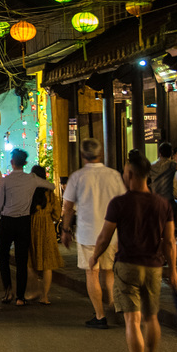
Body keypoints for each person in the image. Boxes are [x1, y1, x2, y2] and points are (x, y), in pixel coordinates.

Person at [90, 149, 177, 352]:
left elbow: (104, 237)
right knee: (152, 317)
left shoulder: (120, 203)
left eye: (124, 171)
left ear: (130, 174)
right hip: (153, 267)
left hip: (128, 265)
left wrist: (94, 257)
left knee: (132, 320)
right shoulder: (162, 204)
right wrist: (173, 271)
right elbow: (170, 241)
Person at [61, 137, 126, 328]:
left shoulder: (77, 177)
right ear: (101, 154)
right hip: (111, 233)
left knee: (92, 273)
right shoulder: (114, 175)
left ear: (83, 155)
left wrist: (65, 230)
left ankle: (100, 315)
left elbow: (68, 206)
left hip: (88, 233)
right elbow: (123, 203)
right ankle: (115, 308)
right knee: (109, 272)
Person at [0, 148, 54, 306]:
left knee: (4, 257)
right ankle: (20, 297)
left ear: (12, 162)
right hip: (24, 221)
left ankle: (8, 292)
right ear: (25, 163)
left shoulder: (5, 181)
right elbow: (52, 186)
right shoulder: (32, 178)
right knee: (21, 259)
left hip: (7, 221)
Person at [27, 165, 63, 304]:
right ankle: (45, 296)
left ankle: (33, 291)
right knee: (47, 264)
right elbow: (57, 214)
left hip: (31, 227)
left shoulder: (29, 192)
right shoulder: (50, 194)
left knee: (31, 262)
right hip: (47, 228)